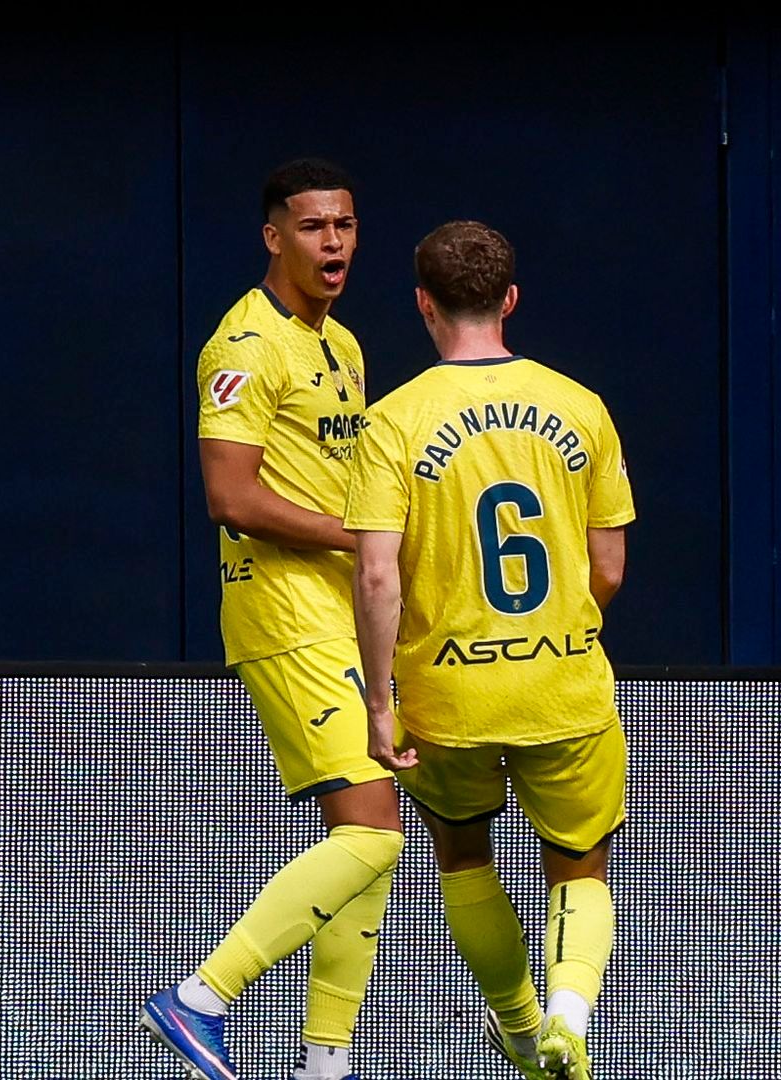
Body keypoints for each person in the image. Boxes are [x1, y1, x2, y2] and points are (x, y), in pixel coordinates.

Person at [346, 220, 632, 1080]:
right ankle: (572, 1017)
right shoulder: (582, 406)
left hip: (448, 699)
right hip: (564, 688)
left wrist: (379, 703)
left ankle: (517, 1028)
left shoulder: (392, 422)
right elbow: (609, 563)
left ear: (423, 303)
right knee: (579, 870)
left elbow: (375, 576)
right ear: (509, 299)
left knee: (463, 857)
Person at [144, 159, 401, 1080]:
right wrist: (357, 536)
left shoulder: (345, 345)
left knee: (368, 842)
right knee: (372, 830)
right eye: (312, 227)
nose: (333, 243)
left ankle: (326, 1060)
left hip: (343, 614)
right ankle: (200, 997)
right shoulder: (244, 345)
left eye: (345, 225)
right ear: (273, 238)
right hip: (283, 612)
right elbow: (229, 495)